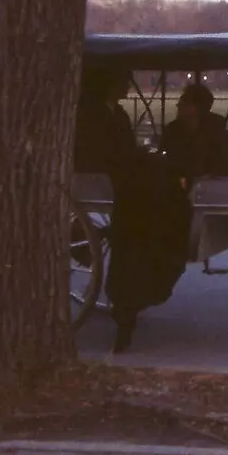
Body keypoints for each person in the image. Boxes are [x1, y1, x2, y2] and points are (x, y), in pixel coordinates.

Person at [73, 64, 189, 355]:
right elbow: (102, 152)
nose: (127, 85)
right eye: (123, 80)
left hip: (122, 170)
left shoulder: (117, 113)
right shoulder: (91, 114)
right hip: (102, 171)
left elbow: (124, 149)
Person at [161, 82, 228, 185]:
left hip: (212, 188)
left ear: (195, 108)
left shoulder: (217, 131)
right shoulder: (171, 131)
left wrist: (210, 176)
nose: (178, 105)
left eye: (183, 102)